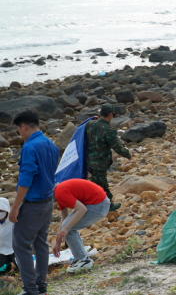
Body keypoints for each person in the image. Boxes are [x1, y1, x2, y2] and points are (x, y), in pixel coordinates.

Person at [9, 109, 59, 295]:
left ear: (24, 127)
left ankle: (30, 289)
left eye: (18, 131)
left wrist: (15, 207)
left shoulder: (29, 147)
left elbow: (26, 178)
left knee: (20, 245)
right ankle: (41, 287)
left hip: (32, 205)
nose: (19, 135)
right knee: (40, 244)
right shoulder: (51, 144)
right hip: (48, 202)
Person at [53, 179, 110, 273]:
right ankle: (81, 258)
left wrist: (66, 229)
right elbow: (64, 216)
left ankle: (83, 260)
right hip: (99, 202)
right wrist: (58, 241)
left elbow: (82, 209)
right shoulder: (58, 191)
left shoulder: (60, 193)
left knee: (69, 228)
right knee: (67, 226)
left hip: (99, 205)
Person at [86, 103, 131, 212]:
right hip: (100, 162)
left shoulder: (91, 124)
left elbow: (87, 124)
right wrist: (127, 154)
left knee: (100, 182)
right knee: (100, 185)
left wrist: (95, 119)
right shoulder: (108, 129)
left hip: (88, 160)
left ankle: (99, 204)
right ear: (110, 114)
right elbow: (117, 147)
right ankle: (106, 205)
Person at [0, 198, 15, 276]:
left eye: (1, 211)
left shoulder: (14, 221)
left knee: (24, 267)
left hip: (15, 250)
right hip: (2, 251)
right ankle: (8, 266)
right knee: (1, 269)